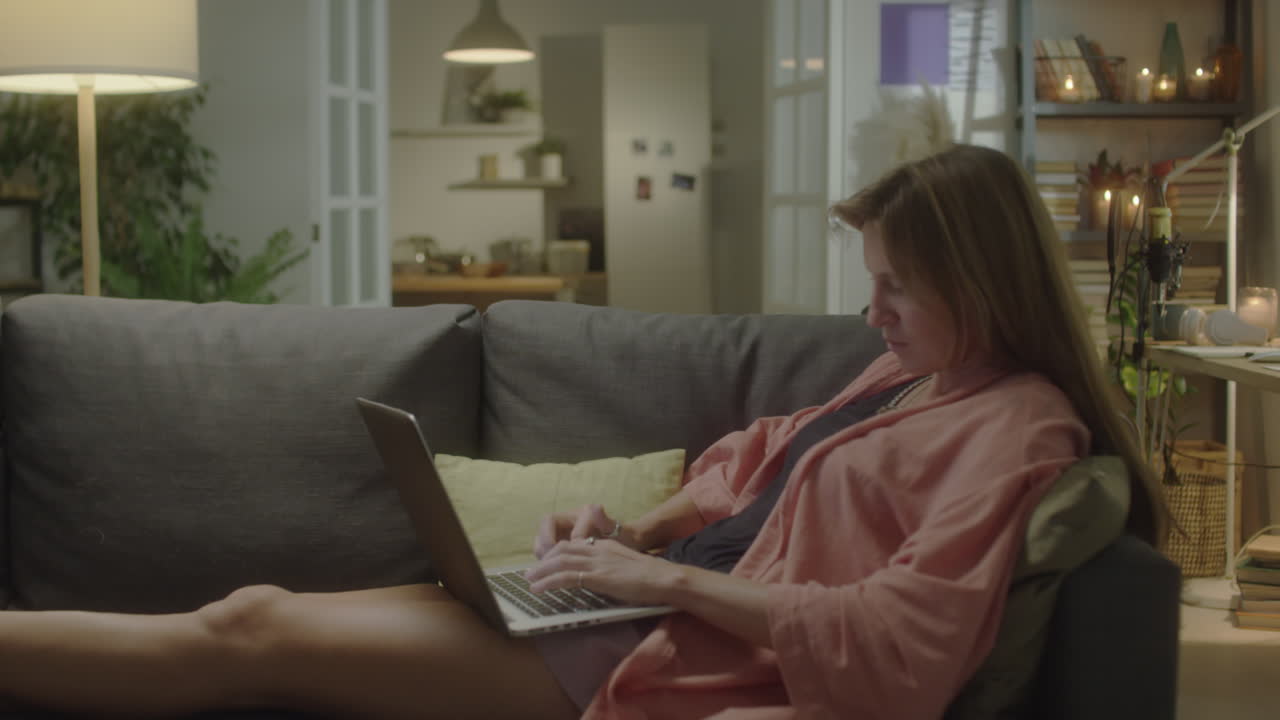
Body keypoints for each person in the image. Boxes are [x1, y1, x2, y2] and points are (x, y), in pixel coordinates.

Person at [0, 144, 1166, 719]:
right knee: (254, 607)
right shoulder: (907, 379)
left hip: (669, 650)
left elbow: (904, 642)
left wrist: (662, 586)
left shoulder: (1018, 430)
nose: (869, 314)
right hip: (642, 600)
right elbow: (751, 466)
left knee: (248, 633)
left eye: (895, 290)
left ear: (983, 282)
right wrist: (636, 531)